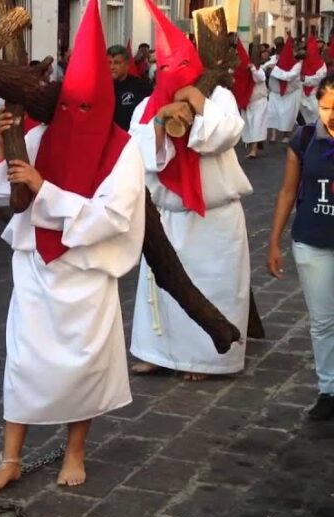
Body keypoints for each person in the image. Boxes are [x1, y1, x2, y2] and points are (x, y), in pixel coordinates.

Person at [0, 0, 143, 492]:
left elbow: (115, 215)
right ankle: (10, 457)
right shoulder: (45, 130)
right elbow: (5, 187)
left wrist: (48, 190)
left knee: (83, 364)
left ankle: (75, 449)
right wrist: (7, 142)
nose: (76, 116)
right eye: (70, 105)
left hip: (88, 270)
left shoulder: (124, 149)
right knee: (24, 358)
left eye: (87, 108)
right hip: (36, 265)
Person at [129, 0, 251, 381]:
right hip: (167, 216)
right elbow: (139, 152)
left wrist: (198, 104)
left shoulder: (219, 97)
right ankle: (159, 353)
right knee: (163, 291)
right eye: (164, 69)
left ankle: (207, 359)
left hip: (213, 219)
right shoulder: (149, 106)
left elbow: (227, 133)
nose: (172, 76)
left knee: (212, 285)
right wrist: (162, 125)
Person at [267, 75, 334, 421]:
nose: (331, 114)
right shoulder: (304, 138)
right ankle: (328, 390)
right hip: (313, 242)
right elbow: (287, 192)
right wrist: (274, 240)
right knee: (323, 321)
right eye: (325, 107)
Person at [109, 44, 153, 131]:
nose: (112, 67)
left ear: (127, 65)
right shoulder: (101, 87)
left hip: (132, 138)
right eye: (109, 62)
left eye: (117, 63)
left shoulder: (141, 86)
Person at [268, 36, 302, 143]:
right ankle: (273, 134)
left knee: (287, 116)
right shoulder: (274, 59)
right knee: (272, 114)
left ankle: (286, 134)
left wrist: (275, 70)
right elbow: (264, 67)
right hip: (275, 93)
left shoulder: (297, 65)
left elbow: (288, 76)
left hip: (289, 94)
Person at [240, 42, 269, 158]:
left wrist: (252, 68)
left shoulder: (259, 70)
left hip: (259, 102)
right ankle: (255, 143)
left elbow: (260, 78)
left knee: (257, 125)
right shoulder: (242, 72)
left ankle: (254, 150)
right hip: (247, 102)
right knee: (249, 126)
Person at [300, 35, 327, 125]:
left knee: (318, 120)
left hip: (314, 95)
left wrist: (305, 79)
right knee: (306, 123)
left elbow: (320, 78)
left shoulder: (321, 64)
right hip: (302, 95)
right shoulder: (302, 62)